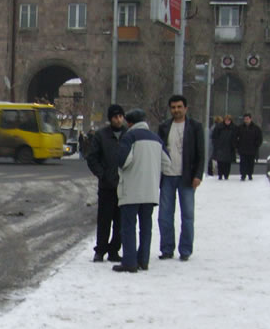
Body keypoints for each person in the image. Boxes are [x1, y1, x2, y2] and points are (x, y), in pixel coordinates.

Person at [112, 109, 171, 273]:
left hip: (131, 190)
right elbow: (167, 164)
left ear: (130, 123)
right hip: (150, 191)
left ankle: (129, 261)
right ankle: (143, 260)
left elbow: (124, 161)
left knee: (128, 226)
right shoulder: (156, 139)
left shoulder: (129, 137)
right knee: (146, 226)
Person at [157, 94, 205, 262]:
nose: (176, 110)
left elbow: (201, 154)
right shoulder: (164, 127)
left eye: (179, 107)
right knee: (164, 215)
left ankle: (185, 250)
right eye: (173, 107)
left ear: (186, 108)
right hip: (167, 177)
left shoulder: (195, 127)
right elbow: (159, 152)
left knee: (188, 215)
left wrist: (198, 175)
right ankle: (166, 248)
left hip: (187, 177)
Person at [87, 104, 126, 263]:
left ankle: (114, 250)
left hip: (124, 186)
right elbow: (92, 158)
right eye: (115, 117)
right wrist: (102, 175)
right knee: (104, 220)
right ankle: (100, 250)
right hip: (107, 186)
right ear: (110, 119)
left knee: (120, 222)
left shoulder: (128, 135)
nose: (118, 119)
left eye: (120, 116)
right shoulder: (101, 135)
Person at [235, 113, 262, 181]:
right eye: (245, 119)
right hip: (243, 149)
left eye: (247, 119)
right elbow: (235, 137)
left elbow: (259, 138)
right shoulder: (240, 128)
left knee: (251, 163)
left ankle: (250, 174)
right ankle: (243, 175)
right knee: (243, 163)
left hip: (252, 149)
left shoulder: (256, 128)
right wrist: (237, 146)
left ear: (250, 119)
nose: (246, 120)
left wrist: (256, 145)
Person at [212, 114, 237, 180]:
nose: (227, 122)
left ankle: (226, 175)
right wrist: (217, 144)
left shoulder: (233, 128)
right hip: (220, 147)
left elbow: (235, 137)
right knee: (220, 162)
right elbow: (214, 137)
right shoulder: (219, 127)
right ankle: (220, 175)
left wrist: (234, 145)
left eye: (228, 120)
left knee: (227, 163)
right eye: (226, 120)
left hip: (229, 148)